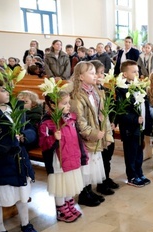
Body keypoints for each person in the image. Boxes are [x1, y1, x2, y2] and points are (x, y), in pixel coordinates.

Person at [0, 73, 40, 232]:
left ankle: (25, 224)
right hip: (2, 164)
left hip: (20, 162)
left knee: (22, 196)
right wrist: (7, 146)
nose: (7, 92)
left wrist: (24, 137)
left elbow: (30, 129)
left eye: (7, 88)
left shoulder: (16, 109)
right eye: (1, 89)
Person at [70, 61, 113, 206]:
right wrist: (93, 133)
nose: (95, 76)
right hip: (86, 138)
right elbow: (79, 120)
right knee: (86, 167)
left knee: (93, 165)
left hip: (97, 135)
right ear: (81, 76)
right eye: (91, 73)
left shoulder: (95, 91)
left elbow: (103, 114)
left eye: (95, 72)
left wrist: (106, 135)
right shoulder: (77, 95)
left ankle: (89, 190)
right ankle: (83, 194)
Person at [39, 90, 86, 223]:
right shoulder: (47, 123)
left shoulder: (71, 118)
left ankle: (68, 202)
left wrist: (81, 154)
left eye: (68, 103)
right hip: (58, 160)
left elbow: (76, 138)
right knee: (60, 184)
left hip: (71, 155)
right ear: (53, 105)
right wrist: (54, 138)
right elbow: (43, 143)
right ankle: (61, 207)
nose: (68, 106)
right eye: (64, 104)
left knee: (69, 181)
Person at [115, 60, 152, 187]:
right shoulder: (121, 89)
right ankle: (131, 176)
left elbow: (144, 104)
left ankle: (139, 172)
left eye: (138, 71)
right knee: (131, 153)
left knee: (139, 152)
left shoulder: (139, 86)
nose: (137, 73)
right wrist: (134, 119)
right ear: (125, 74)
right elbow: (121, 110)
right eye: (134, 71)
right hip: (129, 128)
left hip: (140, 127)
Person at [90, 60, 120, 193]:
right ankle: (100, 183)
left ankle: (106, 178)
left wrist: (113, 121)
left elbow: (112, 107)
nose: (102, 75)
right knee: (100, 157)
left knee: (108, 155)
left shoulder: (106, 90)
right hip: (97, 130)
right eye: (99, 73)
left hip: (108, 127)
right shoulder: (91, 91)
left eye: (102, 73)